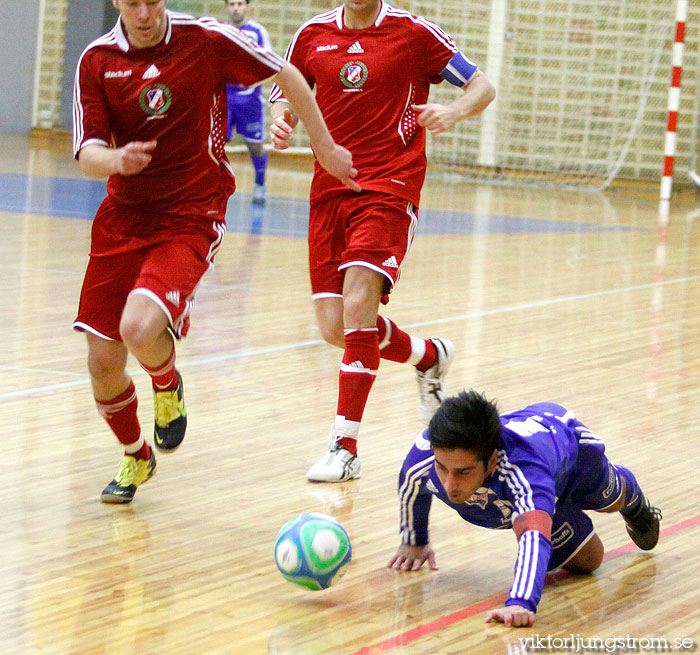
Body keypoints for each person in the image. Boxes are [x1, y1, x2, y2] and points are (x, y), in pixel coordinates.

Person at [72, 0, 358, 504]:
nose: (144, 13)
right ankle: (136, 456)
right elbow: (88, 154)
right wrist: (116, 159)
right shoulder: (96, 60)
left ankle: (166, 381)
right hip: (122, 217)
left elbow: (287, 73)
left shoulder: (204, 39)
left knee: (138, 327)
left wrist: (326, 148)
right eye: (132, 3)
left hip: (192, 210)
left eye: (152, 1)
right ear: (117, 2)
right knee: (102, 362)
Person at [269, 0, 496, 483]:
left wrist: (452, 111)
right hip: (330, 190)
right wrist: (283, 120)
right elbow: (289, 93)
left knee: (357, 303)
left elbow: (482, 85)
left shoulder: (413, 34)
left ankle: (343, 447)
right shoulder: (311, 35)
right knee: (338, 327)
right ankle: (429, 357)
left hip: (390, 187)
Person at [388, 390, 662, 627]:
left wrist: (521, 602)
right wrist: (414, 540)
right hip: (540, 489)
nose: (449, 485)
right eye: (442, 468)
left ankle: (634, 500)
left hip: (576, 458)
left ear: (492, 460)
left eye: (463, 472)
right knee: (590, 562)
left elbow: (532, 537)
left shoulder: (523, 469)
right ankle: (554, 509)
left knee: (610, 499)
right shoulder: (424, 456)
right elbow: (410, 486)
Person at [224, 0, 271, 204]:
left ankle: (260, 184)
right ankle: (211, 186)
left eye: (240, 3)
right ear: (227, 7)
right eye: (232, 3)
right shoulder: (221, 31)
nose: (236, 7)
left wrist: (251, 80)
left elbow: (269, 63)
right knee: (214, 144)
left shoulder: (258, 32)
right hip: (224, 99)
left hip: (250, 100)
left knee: (255, 145)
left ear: (248, 6)